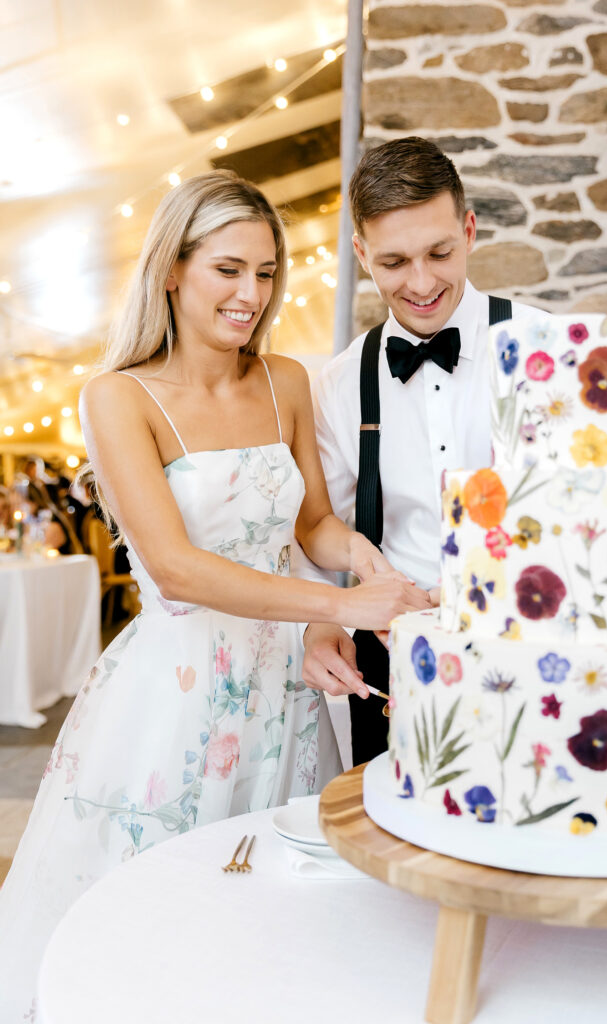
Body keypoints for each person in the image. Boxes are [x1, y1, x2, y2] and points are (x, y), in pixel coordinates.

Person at [0, 169, 429, 1021]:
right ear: (171, 269)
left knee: (272, 908)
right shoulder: (118, 397)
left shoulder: (285, 382)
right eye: (228, 269)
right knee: (153, 907)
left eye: (266, 272)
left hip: (284, 694)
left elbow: (312, 525)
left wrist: (370, 568)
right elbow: (175, 569)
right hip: (176, 690)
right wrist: (341, 609)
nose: (251, 294)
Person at [298, 136, 538, 766]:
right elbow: (321, 524)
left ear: (469, 228)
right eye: (395, 262)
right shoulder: (338, 383)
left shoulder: (547, 348)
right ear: (360, 253)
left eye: (440, 252)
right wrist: (321, 624)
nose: (423, 282)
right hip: (391, 657)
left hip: (532, 641)